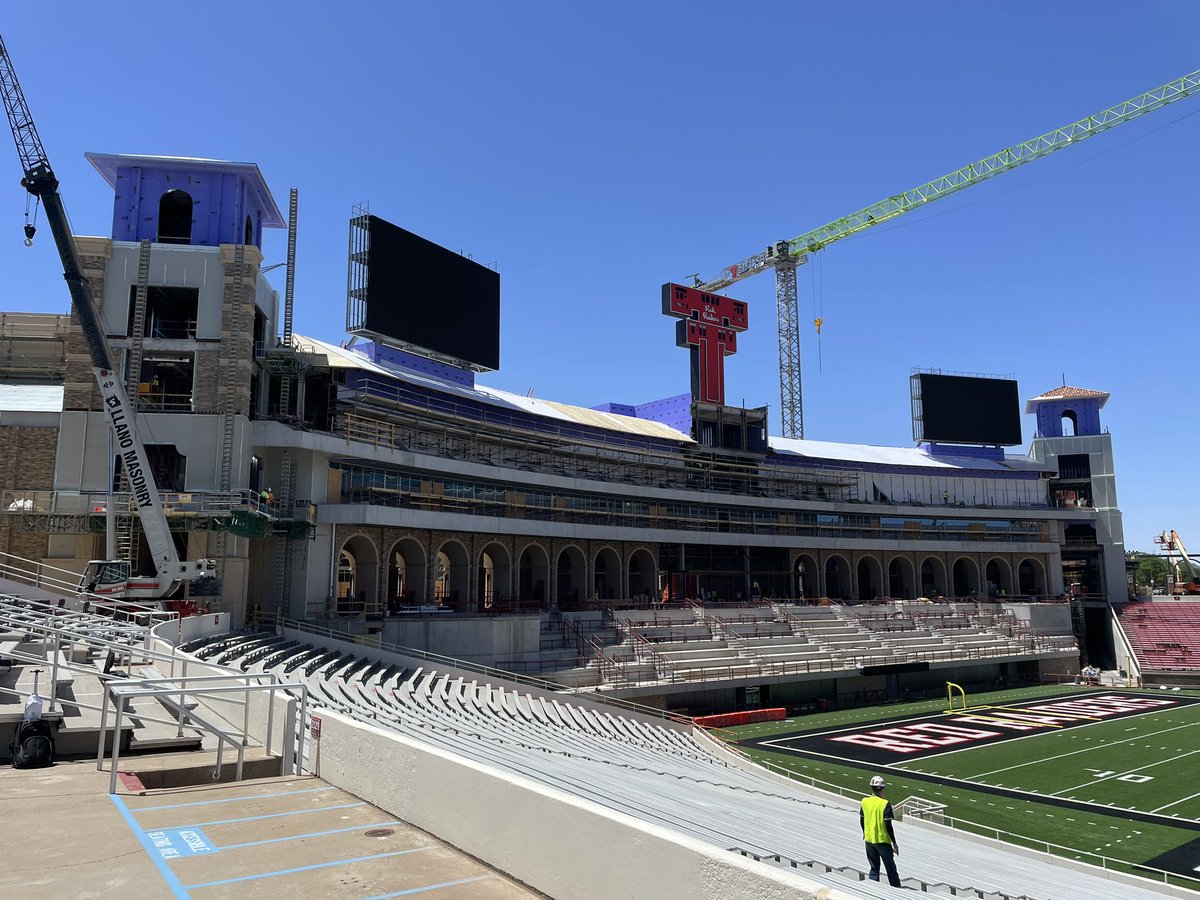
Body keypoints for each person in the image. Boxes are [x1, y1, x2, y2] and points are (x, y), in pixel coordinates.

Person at [860, 774, 901, 887]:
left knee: (874, 869)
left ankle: (873, 891)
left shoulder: (865, 801)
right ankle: (896, 891)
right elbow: (888, 825)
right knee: (891, 869)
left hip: (869, 840)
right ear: (882, 789)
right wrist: (894, 842)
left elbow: (862, 820)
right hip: (882, 841)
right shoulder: (885, 804)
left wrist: (865, 833)